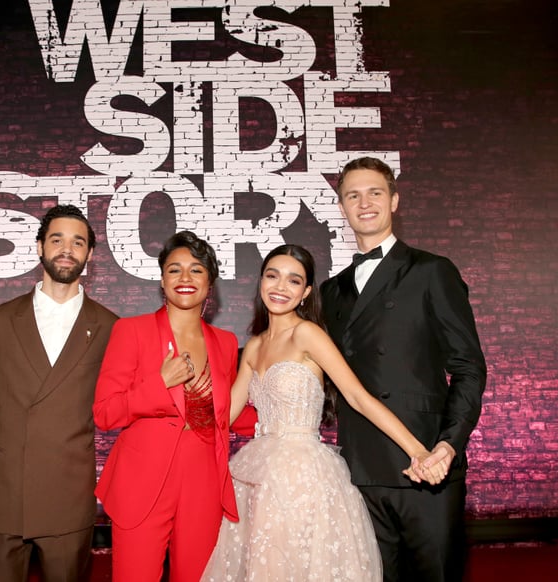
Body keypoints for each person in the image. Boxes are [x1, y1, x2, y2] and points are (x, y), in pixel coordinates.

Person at [202, 244, 444, 581]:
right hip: (257, 474)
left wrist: (417, 449)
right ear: (260, 283)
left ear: (306, 293)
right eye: (273, 276)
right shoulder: (255, 345)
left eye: (293, 280)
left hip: (304, 476)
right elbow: (224, 417)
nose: (280, 287)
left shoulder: (308, 334)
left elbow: (358, 397)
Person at [320, 156, 487, 581]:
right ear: (341, 207)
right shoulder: (330, 290)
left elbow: (468, 366)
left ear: (394, 200)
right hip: (360, 468)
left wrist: (448, 445)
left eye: (375, 192)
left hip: (426, 463)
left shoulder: (432, 271)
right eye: (352, 195)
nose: (365, 203)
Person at [93, 230, 256, 582]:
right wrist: (159, 383)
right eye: (174, 269)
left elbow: (228, 411)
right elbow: (105, 412)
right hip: (142, 482)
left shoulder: (226, 343)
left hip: (204, 482)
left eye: (196, 270)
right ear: (162, 279)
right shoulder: (130, 331)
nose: (185, 278)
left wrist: (279, 425)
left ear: (210, 282)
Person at [0, 204, 118, 582]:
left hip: (67, 494)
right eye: (57, 240)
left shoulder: (110, 327)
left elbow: (116, 407)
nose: (66, 249)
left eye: (78, 242)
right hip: (3, 491)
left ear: (90, 254)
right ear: (39, 247)